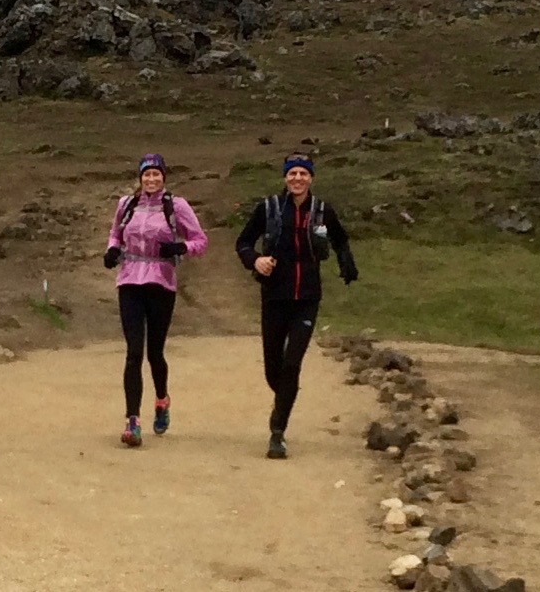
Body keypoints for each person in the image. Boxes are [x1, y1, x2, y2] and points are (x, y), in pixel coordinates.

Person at [235, 153, 358, 460]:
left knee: (292, 363)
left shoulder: (322, 211)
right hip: (274, 295)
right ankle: (284, 398)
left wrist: (347, 265)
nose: (298, 179)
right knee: (273, 369)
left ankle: (278, 432)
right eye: (293, 174)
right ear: (285, 178)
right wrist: (256, 260)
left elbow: (341, 240)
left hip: (307, 297)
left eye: (303, 173)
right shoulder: (268, 208)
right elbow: (244, 242)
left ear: (311, 179)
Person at [104, 153, 207, 448]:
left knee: (155, 353)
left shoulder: (176, 206)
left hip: (161, 282)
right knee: (133, 351)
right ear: (140, 178)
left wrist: (180, 246)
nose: (151, 179)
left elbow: (200, 241)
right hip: (129, 281)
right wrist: (112, 251)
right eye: (146, 175)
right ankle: (132, 421)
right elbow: (115, 234)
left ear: (164, 177)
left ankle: (162, 399)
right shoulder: (126, 205)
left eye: (156, 174)